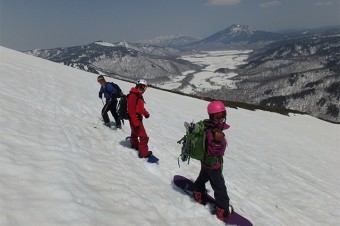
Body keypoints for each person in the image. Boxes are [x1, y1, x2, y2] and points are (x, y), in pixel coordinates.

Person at [193, 100, 233, 221]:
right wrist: (218, 142)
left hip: (205, 163)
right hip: (213, 165)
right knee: (220, 188)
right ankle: (223, 211)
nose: (221, 119)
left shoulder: (208, 126)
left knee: (203, 177)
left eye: (223, 115)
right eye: (218, 116)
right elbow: (215, 152)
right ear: (212, 117)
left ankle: (198, 194)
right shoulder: (214, 133)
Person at [127, 79, 152, 158]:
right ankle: (143, 154)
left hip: (138, 118)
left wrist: (145, 113)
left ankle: (134, 144)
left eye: (144, 87)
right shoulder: (133, 95)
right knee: (144, 137)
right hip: (135, 119)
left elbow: (140, 107)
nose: (143, 89)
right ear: (137, 85)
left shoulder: (139, 95)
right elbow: (131, 111)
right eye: (141, 86)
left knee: (134, 133)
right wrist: (136, 122)